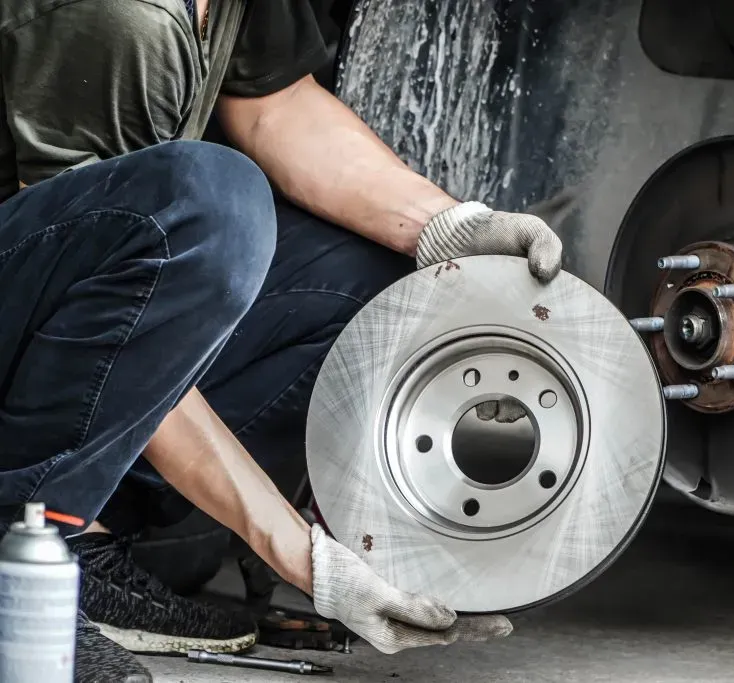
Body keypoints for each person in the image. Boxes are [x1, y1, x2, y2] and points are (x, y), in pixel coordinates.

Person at [0, 0, 563, 680]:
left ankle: (106, 535)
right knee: (210, 203)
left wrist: (449, 228)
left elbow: (273, 103)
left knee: (371, 283)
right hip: (28, 314)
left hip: (65, 328)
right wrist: (303, 556)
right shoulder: (115, 19)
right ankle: (29, 558)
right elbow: (108, 316)